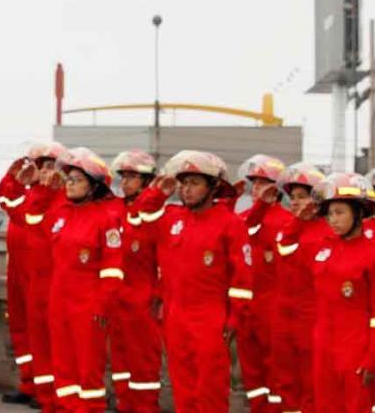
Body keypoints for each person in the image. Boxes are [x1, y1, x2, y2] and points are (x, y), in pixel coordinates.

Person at [138, 150, 253, 412]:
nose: (186, 190)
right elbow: (140, 218)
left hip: (210, 316)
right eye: (183, 183)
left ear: (213, 187)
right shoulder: (171, 218)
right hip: (175, 315)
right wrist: (158, 193)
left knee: (209, 386)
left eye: (194, 183)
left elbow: (243, 277)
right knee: (182, 385)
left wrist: (235, 316)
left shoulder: (229, 224)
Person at [26, 147, 124, 412]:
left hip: (89, 308)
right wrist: (44, 191)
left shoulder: (107, 219)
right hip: (60, 304)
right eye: (68, 178)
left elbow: (113, 270)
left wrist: (102, 306)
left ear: (94, 186)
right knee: (63, 371)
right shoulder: (61, 214)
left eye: (77, 179)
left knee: (88, 374)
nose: (69, 183)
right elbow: (32, 222)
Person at [277, 172, 375, 412]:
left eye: (340, 212)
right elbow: (285, 250)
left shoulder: (371, 254)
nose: (333, 219)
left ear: (359, 213)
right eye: (330, 213)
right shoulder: (322, 248)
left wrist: (370, 360)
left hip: (356, 351)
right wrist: (299, 219)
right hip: (323, 349)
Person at [0, 142, 67, 411]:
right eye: (39, 164)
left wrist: (46, 188)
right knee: (22, 331)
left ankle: (47, 392)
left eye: (48, 165)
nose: (43, 171)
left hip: (46, 277)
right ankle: (30, 383)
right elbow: (7, 204)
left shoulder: (57, 196)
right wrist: (13, 178)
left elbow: (35, 221)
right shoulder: (31, 194)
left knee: (45, 337)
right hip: (21, 274)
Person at [267, 162, 327, 413]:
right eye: (292, 197)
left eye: (302, 197)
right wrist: (297, 222)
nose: (294, 202)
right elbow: (283, 249)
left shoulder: (327, 231)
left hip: (312, 316)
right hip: (285, 316)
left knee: (311, 379)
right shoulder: (289, 230)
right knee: (285, 379)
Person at [106, 149, 161, 413]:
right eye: (124, 176)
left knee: (143, 361)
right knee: (119, 360)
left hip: (143, 301)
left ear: (147, 181)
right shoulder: (115, 209)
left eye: (132, 177)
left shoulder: (156, 215)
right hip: (118, 299)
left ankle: (145, 408)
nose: (125, 182)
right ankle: (124, 404)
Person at [235, 154, 291, 410]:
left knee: (276, 370)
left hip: (274, 309)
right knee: (251, 372)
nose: (256, 188)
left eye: (262, 183)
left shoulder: (286, 222)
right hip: (247, 308)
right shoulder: (245, 217)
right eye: (254, 183)